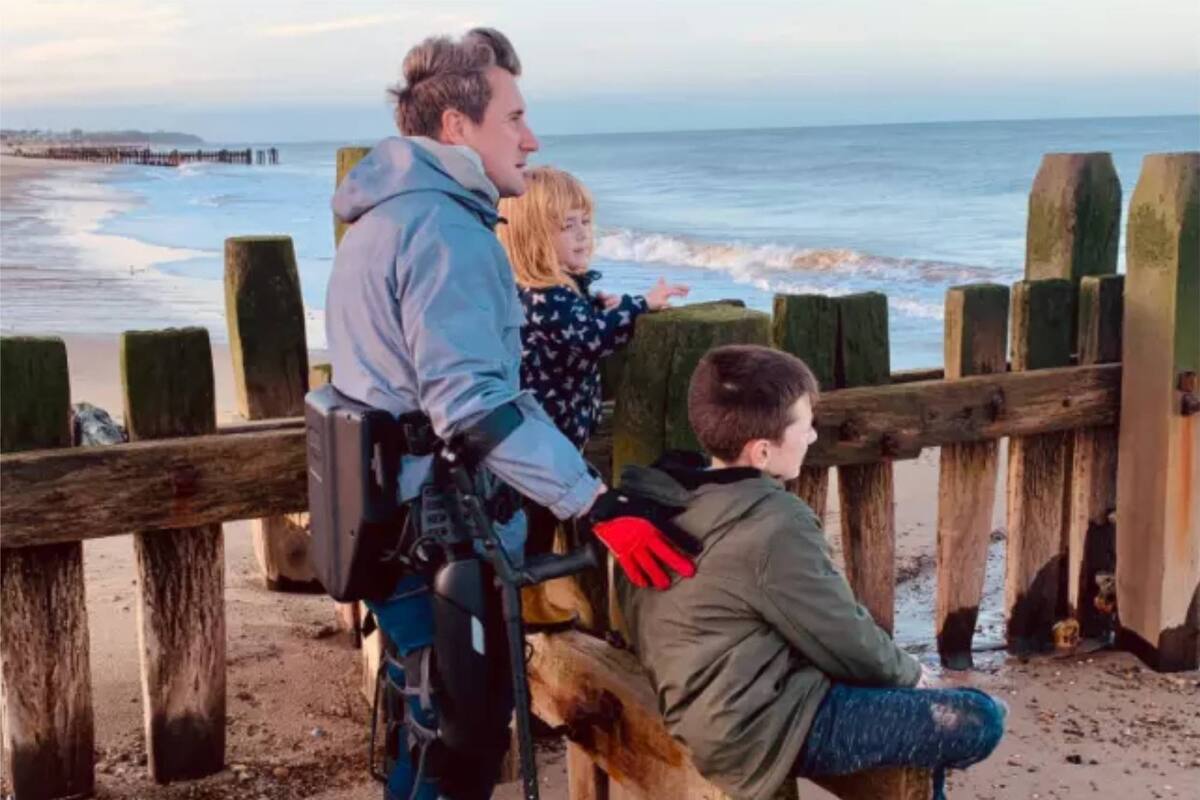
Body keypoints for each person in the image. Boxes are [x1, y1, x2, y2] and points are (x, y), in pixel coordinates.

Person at [325, 28, 695, 800]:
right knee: (455, 741)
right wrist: (594, 502)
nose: (531, 139)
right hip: (431, 531)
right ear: (458, 128)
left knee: (426, 715)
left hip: (380, 516)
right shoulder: (446, 231)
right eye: (514, 119)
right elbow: (471, 405)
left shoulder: (383, 217)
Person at [613, 344, 1006, 800]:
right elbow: (840, 631)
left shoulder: (666, 496)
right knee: (976, 717)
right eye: (805, 426)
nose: (814, 437)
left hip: (701, 702)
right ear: (761, 451)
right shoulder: (773, 523)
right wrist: (909, 674)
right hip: (755, 730)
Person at [496, 166, 689, 627]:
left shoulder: (548, 292)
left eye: (585, 221)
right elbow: (591, 340)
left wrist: (606, 305)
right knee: (536, 522)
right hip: (547, 437)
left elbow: (583, 323)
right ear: (532, 237)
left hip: (549, 432)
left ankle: (535, 594)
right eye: (567, 226)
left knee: (539, 521)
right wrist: (638, 306)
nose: (583, 235)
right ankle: (528, 600)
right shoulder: (546, 297)